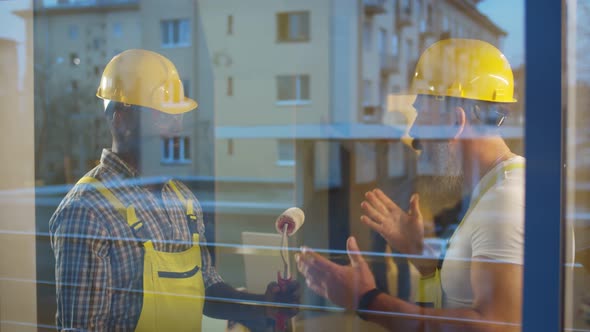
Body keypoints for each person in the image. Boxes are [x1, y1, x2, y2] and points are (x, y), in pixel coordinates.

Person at [49, 49, 300, 331]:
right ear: (121, 119)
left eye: (178, 116)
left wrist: (261, 306)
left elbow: (205, 289)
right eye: (163, 116)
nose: (177, 128)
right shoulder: (88, 211)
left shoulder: (182, 200)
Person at [296, 38, 525, 331]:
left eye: (421, 115)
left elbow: (497, 327)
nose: (414, 132)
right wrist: (422, 257)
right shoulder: (491, 191)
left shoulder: (507, 199)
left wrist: (367, 300)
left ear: (455, 122)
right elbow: (467, 299)